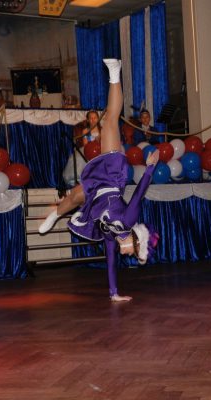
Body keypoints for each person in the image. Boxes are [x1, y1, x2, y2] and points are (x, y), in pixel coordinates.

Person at [39, 59, 160, 302]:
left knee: (74, 196)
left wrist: (115, 294)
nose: (128, 256)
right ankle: (115, 73)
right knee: (110, 120)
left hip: (95, 192)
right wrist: (149, 168)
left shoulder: (111, 237)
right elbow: (138, 195)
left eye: (132, 256)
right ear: (136, 242)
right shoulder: (127, 221)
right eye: (134, 253)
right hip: (112, 178)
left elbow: (111, 263)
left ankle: (55, 214)